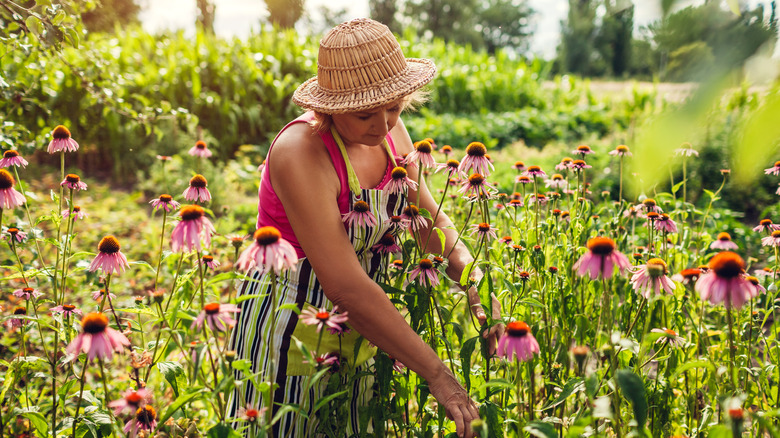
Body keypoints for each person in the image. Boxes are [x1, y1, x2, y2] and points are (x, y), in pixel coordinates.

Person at [227, 18, 502, 438]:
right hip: (293, 321)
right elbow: (344, 287)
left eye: (394, 107)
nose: (383, 125)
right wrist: (438, 374)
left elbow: (429, 219)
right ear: (328, 108)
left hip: (368, 320)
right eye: (365, 115)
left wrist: (473, 280)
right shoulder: (300, 152)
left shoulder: (389, 132)